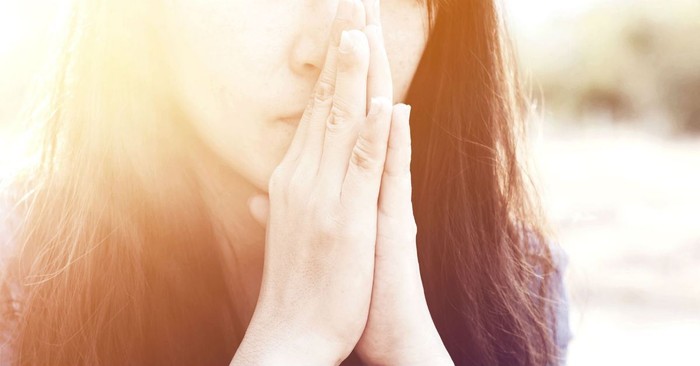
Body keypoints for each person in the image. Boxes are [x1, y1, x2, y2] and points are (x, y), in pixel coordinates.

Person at [0, 0, 571, 365]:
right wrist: (293, 342)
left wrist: (410, 350)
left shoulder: (518, 280)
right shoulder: (18, 271)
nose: (333, 48)